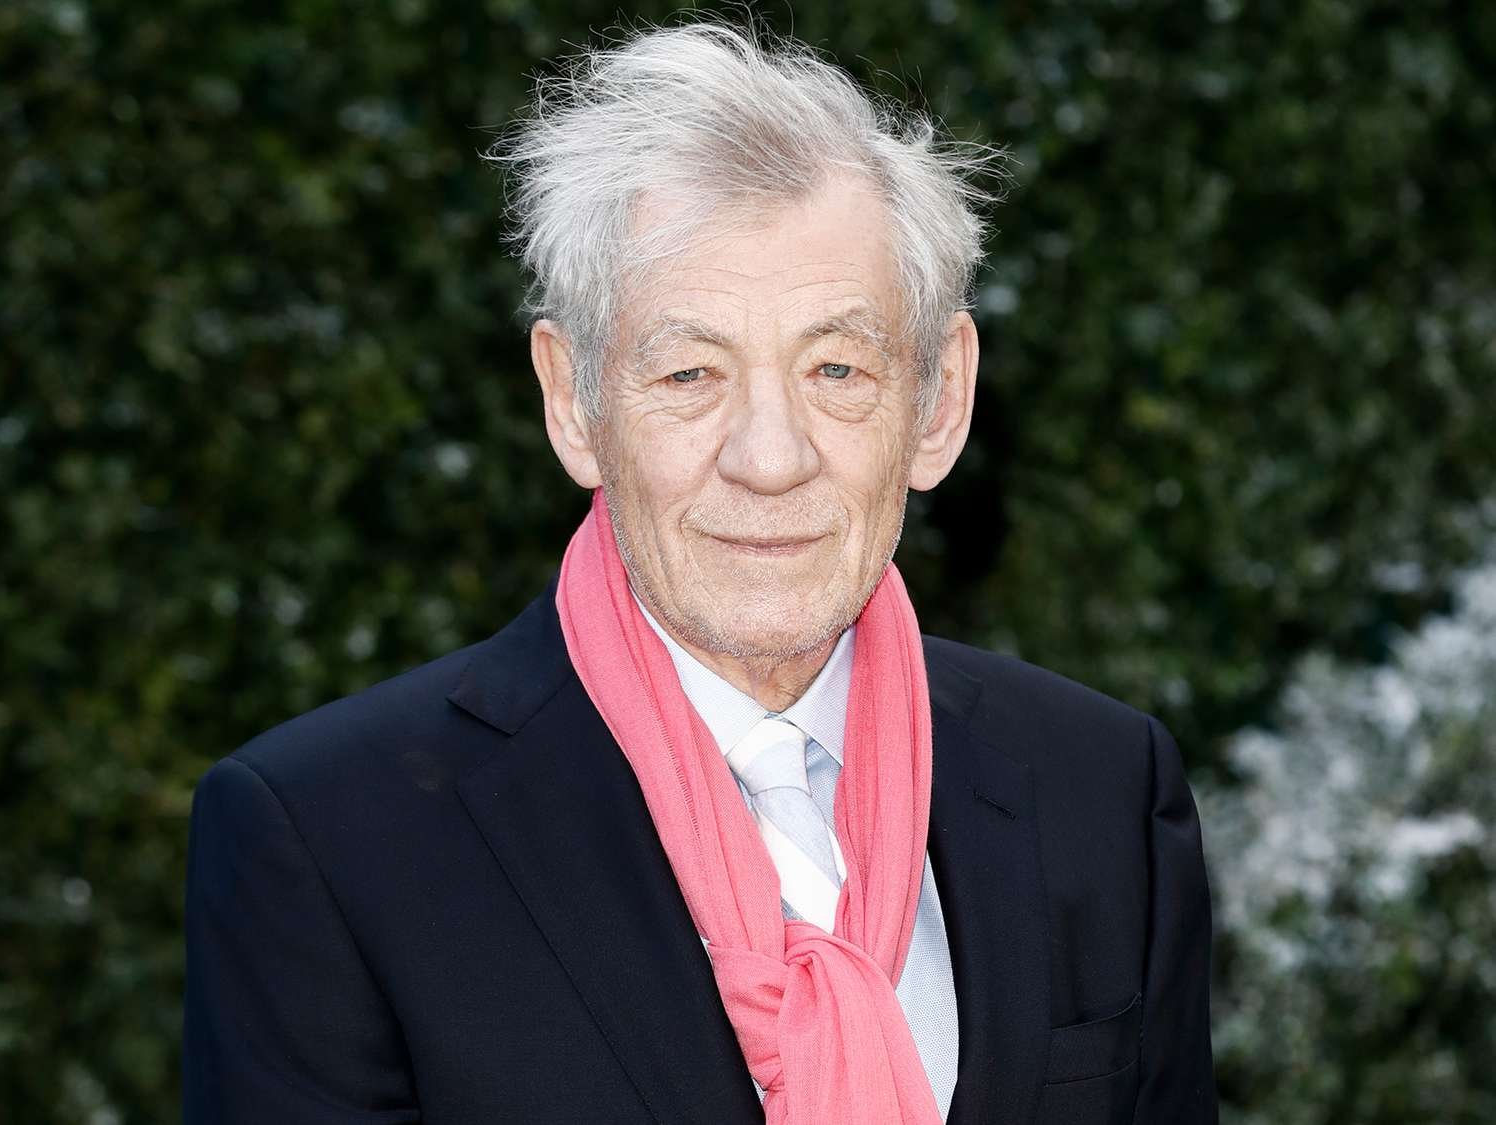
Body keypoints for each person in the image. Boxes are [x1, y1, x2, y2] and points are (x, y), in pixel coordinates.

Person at [182, 20, 1218, 1125]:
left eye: (836, 368)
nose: (769, 458)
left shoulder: (1101, 789)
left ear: (939, 400)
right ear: (574, 402)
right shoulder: (328, 841)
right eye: (689, 373)